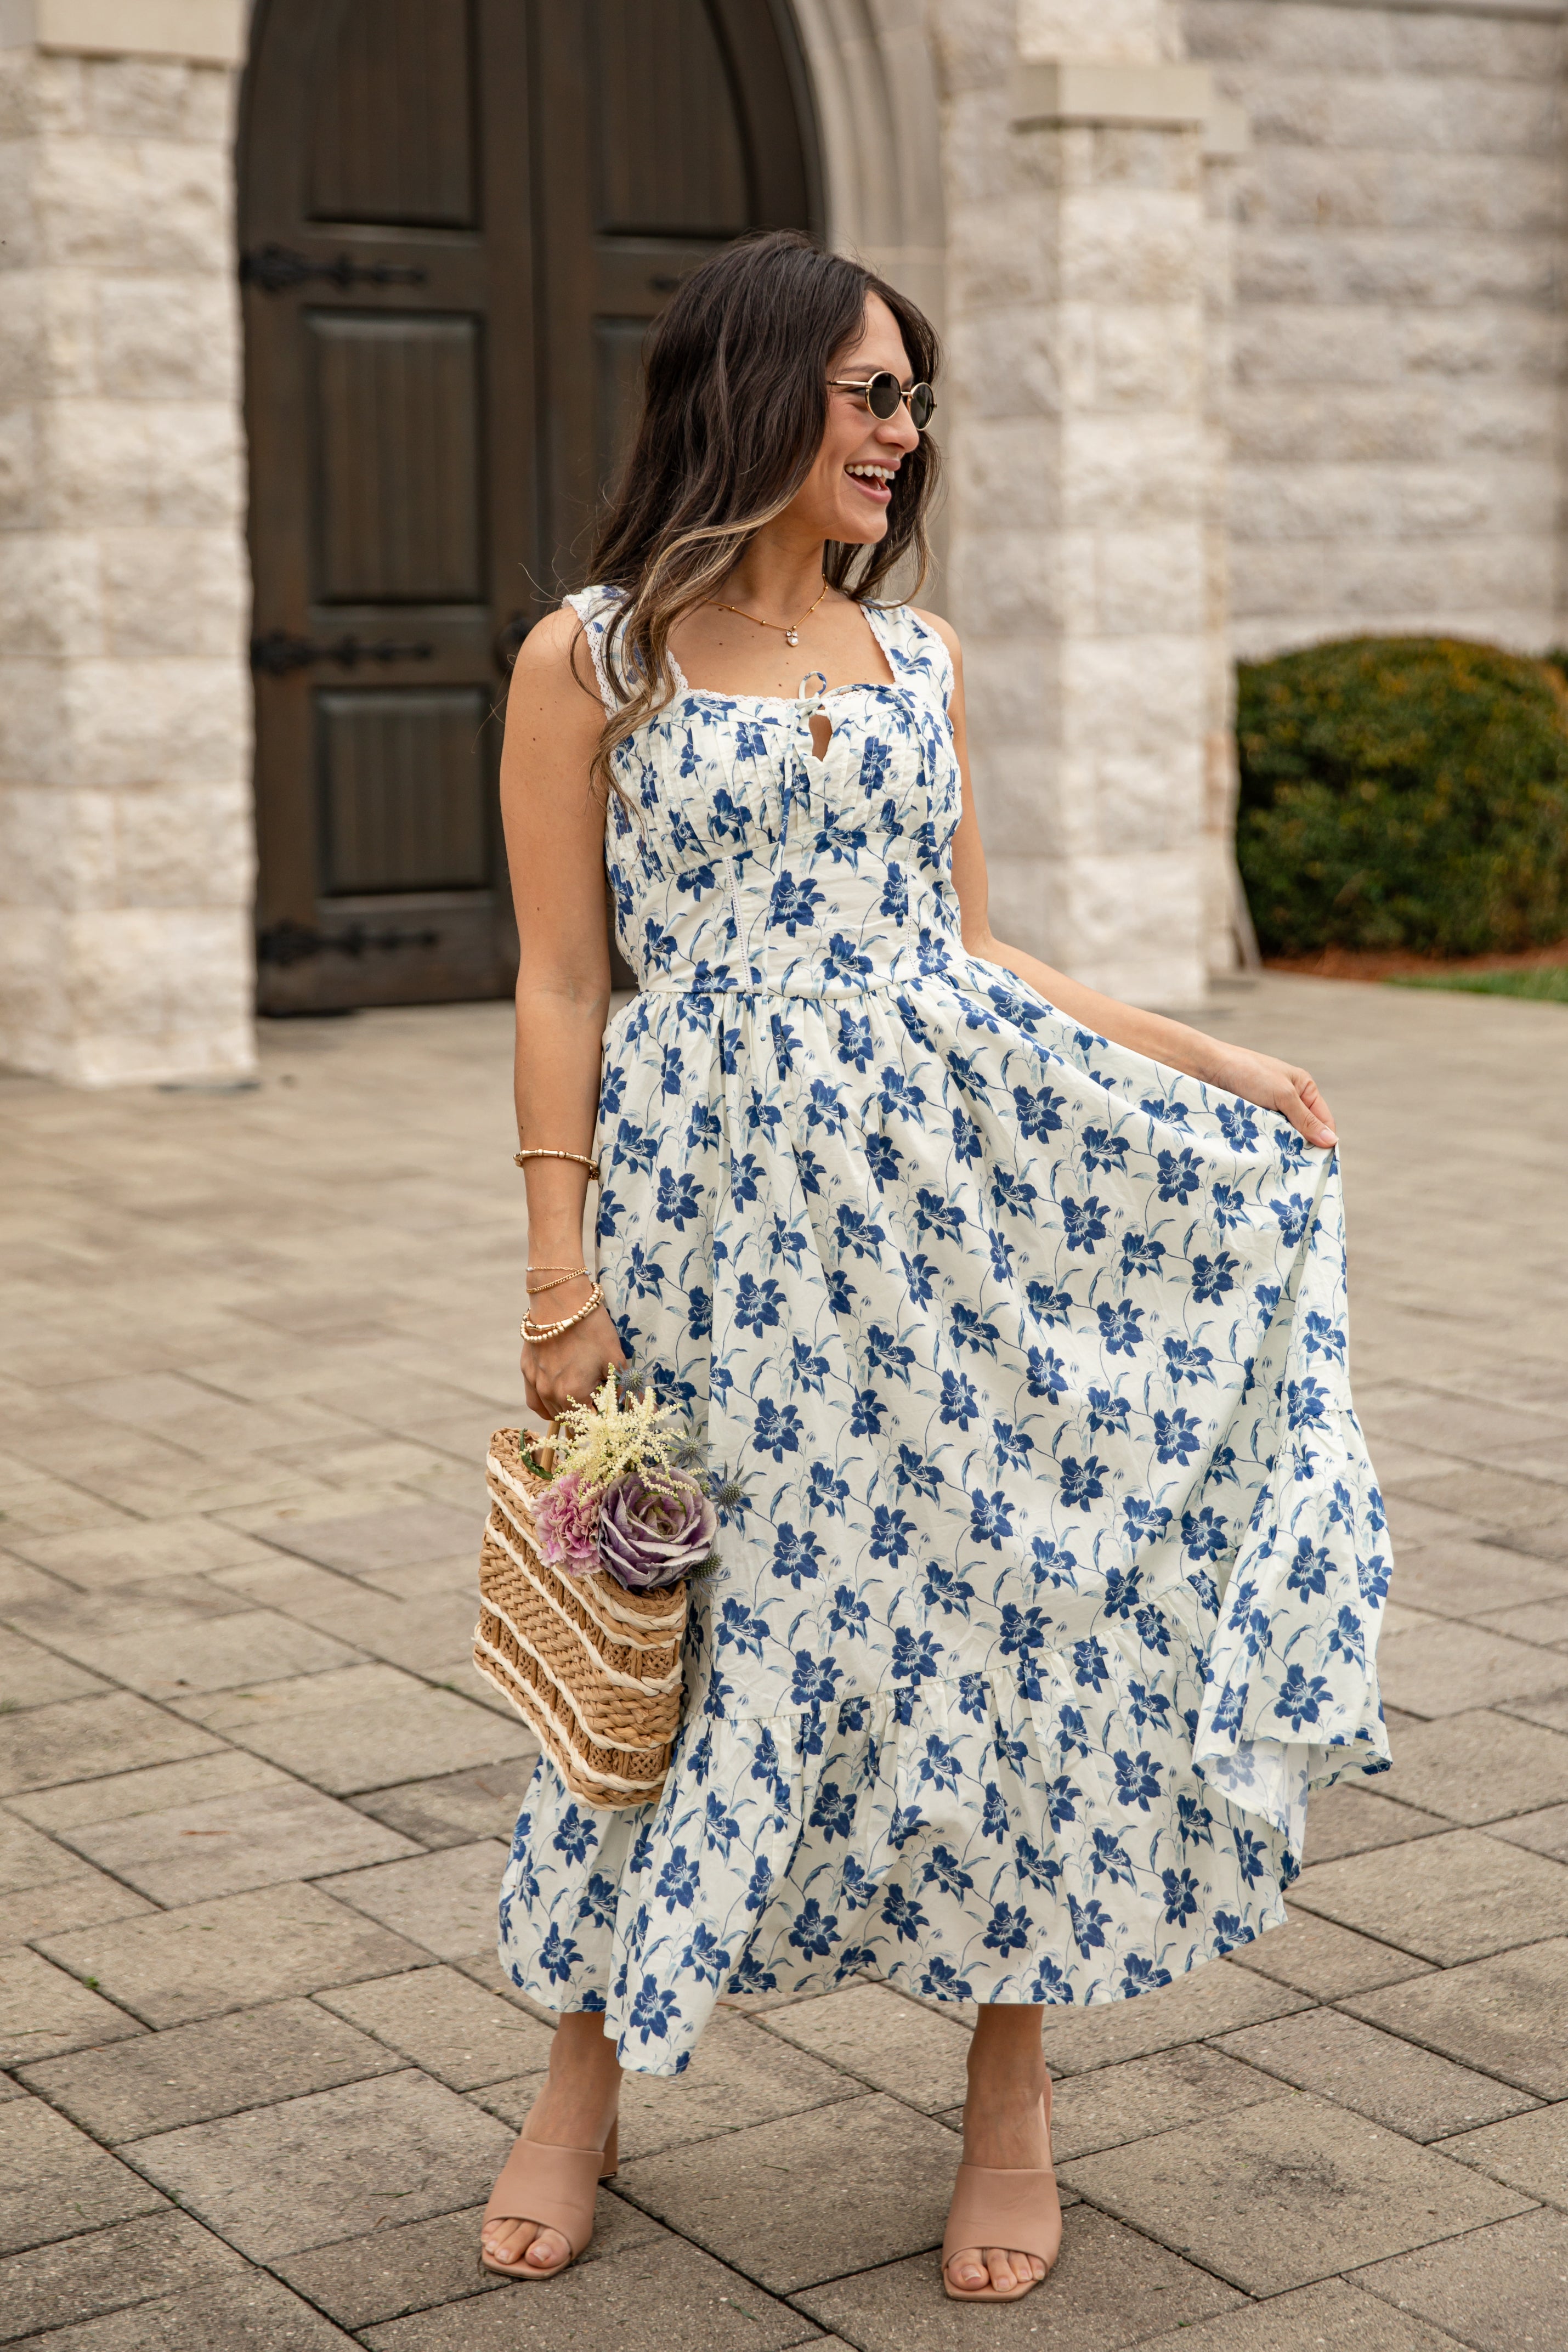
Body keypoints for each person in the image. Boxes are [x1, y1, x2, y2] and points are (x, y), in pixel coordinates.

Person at [482, 230, 1390, 2304]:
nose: (904, 433)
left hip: (957, 1215)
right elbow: (556, 978)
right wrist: (556, 1266)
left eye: (913, 399)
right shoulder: (592, 660)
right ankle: (579, 2081)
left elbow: (969, 948)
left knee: (1004, 1609)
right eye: (870, 394)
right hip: (711, 1224)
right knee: (667, 1626)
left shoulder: (924, 661)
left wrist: (1205, 1052)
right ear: (762, 388)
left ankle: (1011, 2099)